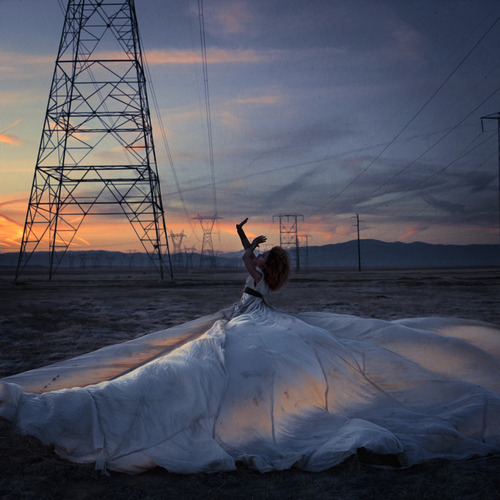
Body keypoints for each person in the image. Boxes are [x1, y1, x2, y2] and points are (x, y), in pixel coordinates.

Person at [1, 219, 500, 475]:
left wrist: (249, 243)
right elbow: (249, 257)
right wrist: (253, 242)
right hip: (252, 318)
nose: (257, 258)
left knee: (205, 370)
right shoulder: (267, 279)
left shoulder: (256, 275)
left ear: (266, 265)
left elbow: (244, 257)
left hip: (250, 322)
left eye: (263, 257)